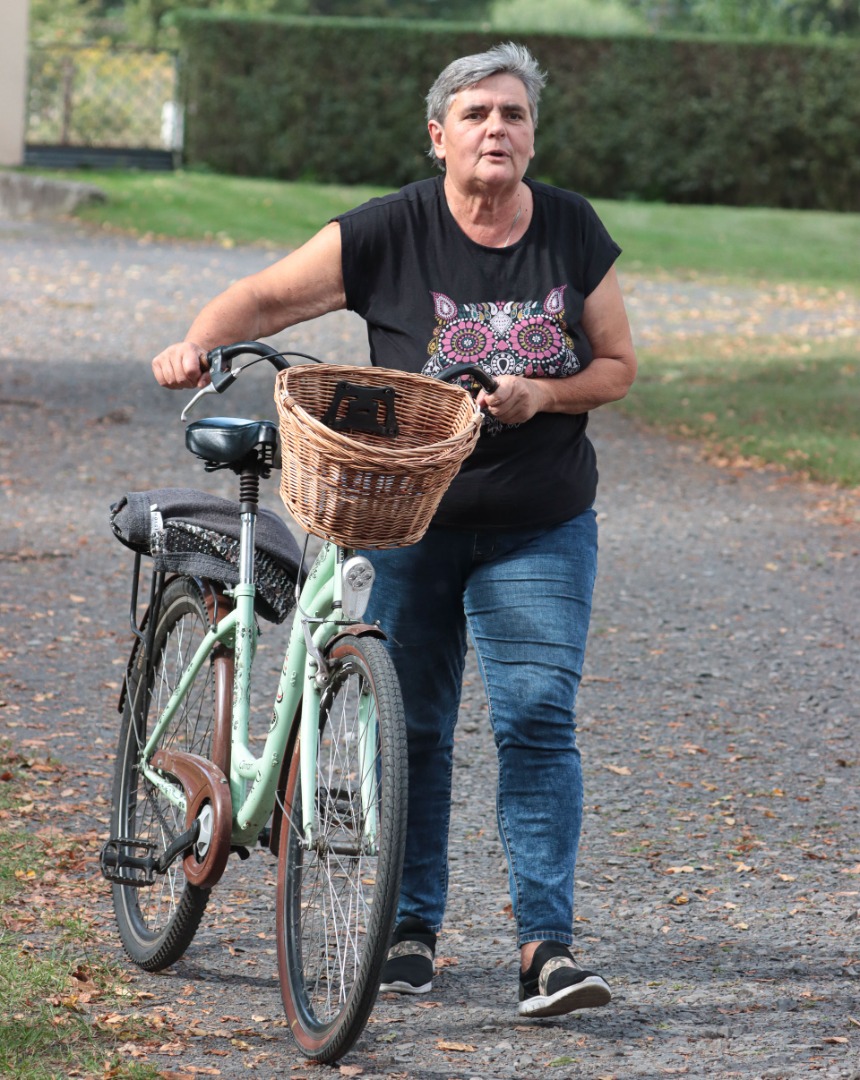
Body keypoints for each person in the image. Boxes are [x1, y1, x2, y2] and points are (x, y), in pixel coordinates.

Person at [152, 42, 637, 1019]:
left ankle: (545, 947)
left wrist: (540, 392)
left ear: (531, 135)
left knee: (536, 718)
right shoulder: (390, 230)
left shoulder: (572, 230)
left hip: (538, 523)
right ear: (438, 134)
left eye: (512, 114)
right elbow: (263, 298)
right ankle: (409, 930)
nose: (495, 129)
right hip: (404, 521)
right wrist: (196, 341)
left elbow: (616, 364)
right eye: (475, 115)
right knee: (407, 727)